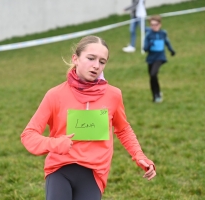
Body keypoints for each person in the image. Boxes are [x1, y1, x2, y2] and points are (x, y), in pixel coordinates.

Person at [20, 35, 156, 200]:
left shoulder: (113, 95)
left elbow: (123, 129)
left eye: (102, 61)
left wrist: (139, 155)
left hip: (94, 174)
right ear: (75, 59)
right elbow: (28, 135)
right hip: (59, 170)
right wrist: (54, 143)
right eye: (91, 58)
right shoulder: (55, 95)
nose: (96, 66)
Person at [143, 15, 176, 103]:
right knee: (152, 77)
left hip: (160, 57)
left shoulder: (163, 33)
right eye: (152, 25)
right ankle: (155, 95)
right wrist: (149, 45)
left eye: (156, 24)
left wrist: (171, 50)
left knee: (153, 74)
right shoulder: (148, 35)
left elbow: (167, 42)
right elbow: (145, 48)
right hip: (151, 58)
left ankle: (158, 94)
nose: (155, 26)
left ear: (160, 24)